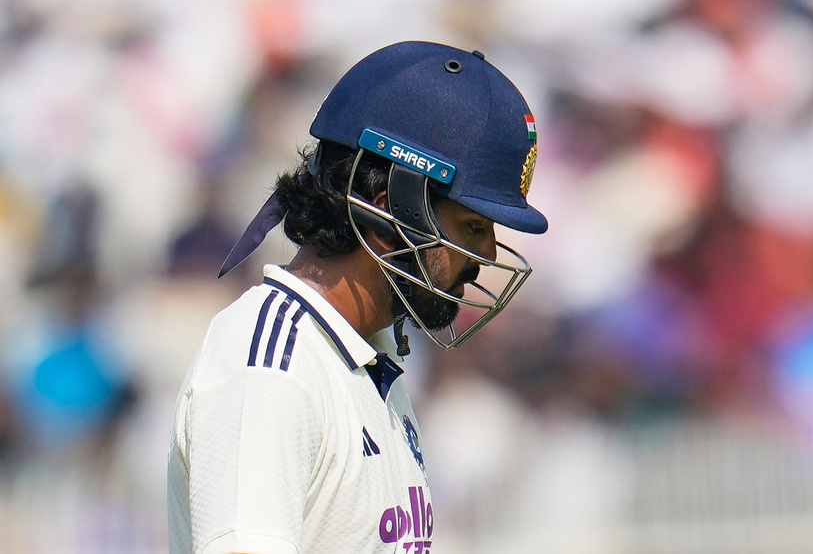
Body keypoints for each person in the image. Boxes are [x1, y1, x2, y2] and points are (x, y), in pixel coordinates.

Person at [167, 41, 547, 554]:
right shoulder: (271, 366)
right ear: (392, 210)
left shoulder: (368, 364)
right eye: (474, 226)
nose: (483, 254)